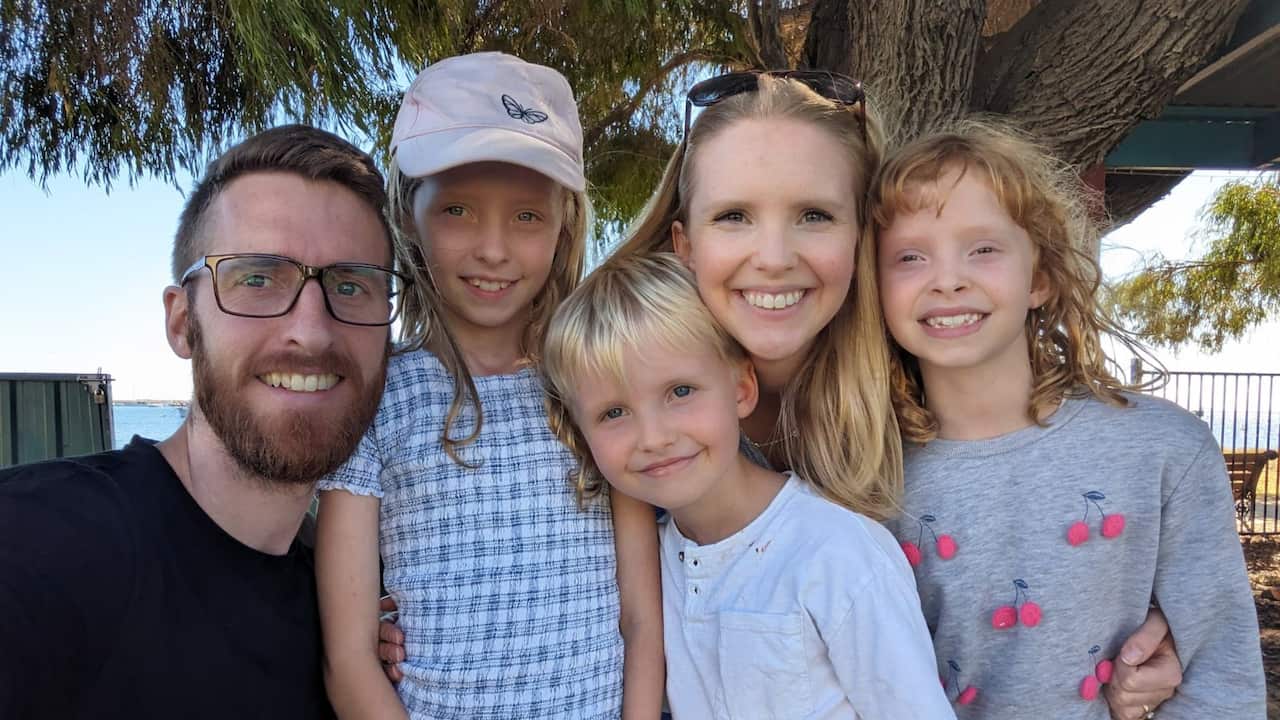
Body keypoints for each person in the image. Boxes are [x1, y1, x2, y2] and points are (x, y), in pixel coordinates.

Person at [377, 69, 1185, 717]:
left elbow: (1039, 574)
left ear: (863, 235)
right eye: (734, 216)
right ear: (684, 240)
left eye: (812, 215)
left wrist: (1143, 635)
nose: (773, 256)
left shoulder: (932, 405)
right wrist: (402, 612)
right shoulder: (627, 383)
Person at [870, 118, 1266, 718]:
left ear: (1043, 276)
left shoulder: (1163, 451)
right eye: (909, 256)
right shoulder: (857, 471)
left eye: (983, 249)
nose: (947, 279)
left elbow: (1222, 676)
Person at [0, 123, 398, 719]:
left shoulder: (348, 623)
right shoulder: (42, 549)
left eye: (351, 285)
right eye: (258, 279)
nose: (313, 330)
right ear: (183, 321)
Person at [314, 52, 662, 720]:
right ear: (407, 215)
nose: (494, 248)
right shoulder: (376, 399)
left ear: (564, 225)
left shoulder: (600, 384)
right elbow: (350, 658)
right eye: (458, 210)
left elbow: (641, 622)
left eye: (527, 216)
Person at [541, 252, 957, 718]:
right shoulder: (650, 569)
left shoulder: (838, 557)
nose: (653, 438)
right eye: (613, 413)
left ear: (741, 388)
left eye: (680, 391)